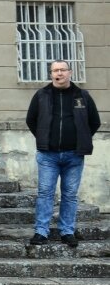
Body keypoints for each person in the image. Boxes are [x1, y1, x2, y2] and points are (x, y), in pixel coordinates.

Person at [26, 60, 101, 248]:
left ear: (70, 72)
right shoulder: (41, 95)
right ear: (51, 74)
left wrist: (81, 139)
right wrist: (44, 137)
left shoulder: (82, 95)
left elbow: (94, 122)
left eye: (62, 70)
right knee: (45, 193)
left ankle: (67, 231)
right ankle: (41, 231)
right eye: (55, 71)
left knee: (69, 194)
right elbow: (31, 120)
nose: (59, 74)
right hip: (48, 155)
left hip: (74, 155)